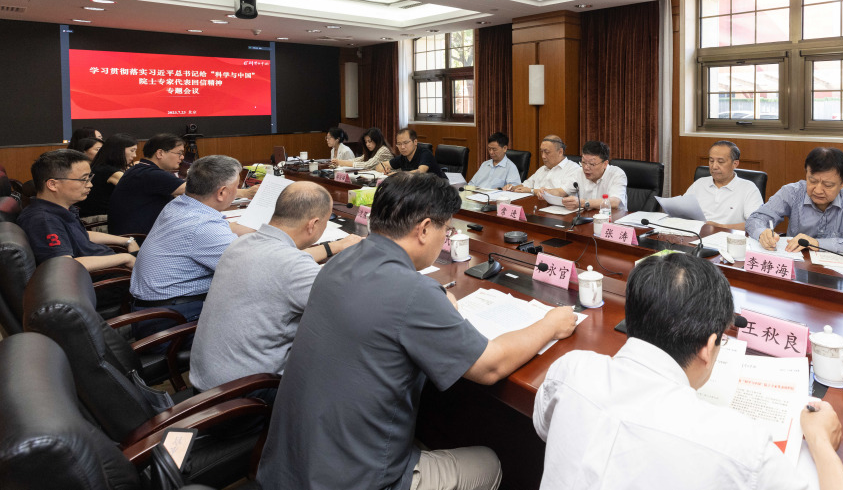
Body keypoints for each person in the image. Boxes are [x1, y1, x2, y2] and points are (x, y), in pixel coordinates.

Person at [257, 172, 578, 490]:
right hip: (351, 478)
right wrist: (551, 323)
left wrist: (435, 302)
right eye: (446, 229)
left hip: (291, 463)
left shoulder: (342, 259)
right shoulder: (412, 293)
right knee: (490, 463)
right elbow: (491, 366)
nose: (446, 238)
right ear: (424, 229)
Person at [533, 253, 843, 490]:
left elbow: (546, 429)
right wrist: (820, 441)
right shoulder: (740, 443)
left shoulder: (569, 370)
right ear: (708, 345)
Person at [190, 181, 363, 392]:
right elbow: (353, 306)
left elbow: (281, 264)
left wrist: (334, 247)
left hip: (207, 384)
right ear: (313, 224)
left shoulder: (241, 242)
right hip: (245, 396)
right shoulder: (293, 267)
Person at [129, 155, 249, 340]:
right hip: (172, 322)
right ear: (222, 193)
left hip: (151, 311)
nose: (238, 191)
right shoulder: (202, 227)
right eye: (237, 187)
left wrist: (261, 231)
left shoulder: (180, 204)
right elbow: (252, 267)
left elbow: (225, 228)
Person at [746, 147, 843, 254]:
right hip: (798, 267)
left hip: (841, 273)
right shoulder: (792, 192)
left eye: (828, 185)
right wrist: (762, 232)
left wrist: (818, 244)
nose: (818, 190)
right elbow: (756, 218)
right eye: (812, 181)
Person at [17, 149, 138, 271]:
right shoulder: (44, 220)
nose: (90, 184)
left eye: (89, 178)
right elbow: (64, 266)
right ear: (52, 184)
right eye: (83, 179)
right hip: (108, 276)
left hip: (111, 264)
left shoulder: (60, 208)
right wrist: (125, 258)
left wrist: (127, 241)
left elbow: (81, 235)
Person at [108, 133, 187, 235]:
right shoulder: (149, 173)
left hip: (141, 234)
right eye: (179, 153)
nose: (182, 157)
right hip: (137, 239)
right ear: (160, 153)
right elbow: (196, 189)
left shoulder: (141, 169)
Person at [682, 140, 763, 230]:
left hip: (729, 239)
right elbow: (682, 212)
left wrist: (722, 227)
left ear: (735, 164)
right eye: (711, 161)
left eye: (720, 162)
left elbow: (757, 223)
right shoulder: (699, 183)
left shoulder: (749, 188)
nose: (714, 166)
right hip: (696, 236)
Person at [548, 140, 627, 213]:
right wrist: (545, 192)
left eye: (592, 164)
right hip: (587, 219)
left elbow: (614, 202)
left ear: (605, 164)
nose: (586, 167)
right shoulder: (579, 172)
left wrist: (583, 203)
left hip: (613, 220)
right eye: (583, 162)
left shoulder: (617, 174)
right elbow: (562, 191)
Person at [81, 133, 138, 219]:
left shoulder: (100, 166)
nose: (135, 155)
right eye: (132, 150)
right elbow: (138, 192)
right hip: (100, 220)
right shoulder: (110, 172)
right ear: (119, 150)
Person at [506, 135, 579, 195]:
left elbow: (561, 192)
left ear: (560, 152)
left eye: (547, 152)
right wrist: (513, 188)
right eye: (541, 152)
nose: (543, 156)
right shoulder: (542, 169)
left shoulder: (573, 169)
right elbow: (525, 185)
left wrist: (531, 191)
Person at [375, 127, 446, 179]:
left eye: (405, 143)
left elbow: (421, 172)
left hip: (438, 189)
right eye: (399, 144)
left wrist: (398, 174)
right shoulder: (402, 157)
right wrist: (383, 169)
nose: (402, 147)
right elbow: (381, 165)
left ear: (415, 142)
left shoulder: (425, 153)